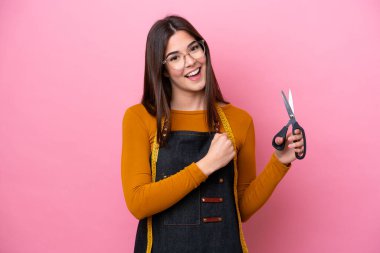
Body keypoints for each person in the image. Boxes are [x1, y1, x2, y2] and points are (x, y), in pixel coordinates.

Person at [121, 15, 305, 253]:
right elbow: (138, 203)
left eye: (194, 48)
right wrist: (206, 165)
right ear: (163, 70)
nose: (190, 62)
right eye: (175, 58)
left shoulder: (239, 121)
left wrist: (279, 162)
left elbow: (241, 209)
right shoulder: (140, 117)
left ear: (204, 49)